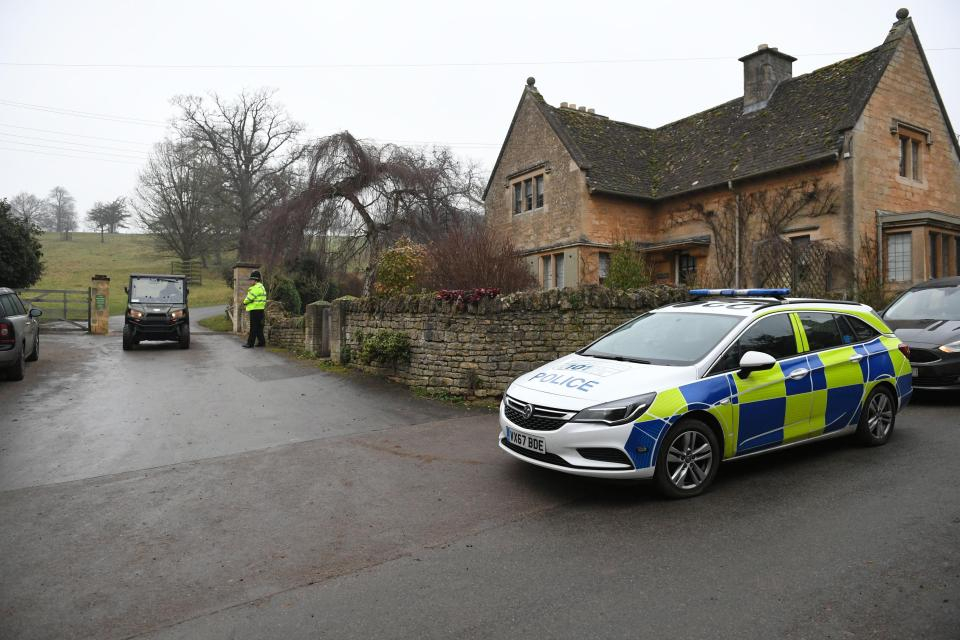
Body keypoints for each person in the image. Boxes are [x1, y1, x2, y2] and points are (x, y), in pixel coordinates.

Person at [242, 270, 267, 348]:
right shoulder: (262, 287)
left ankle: (250, 343)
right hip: (261, 309)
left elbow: (249, 298)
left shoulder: (255, 288)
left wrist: (244, 302)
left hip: (255, 309)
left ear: (255, 280)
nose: (250, 282)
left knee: (253, 327)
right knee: (259, 327)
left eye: (251, 280)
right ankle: (262, 342)